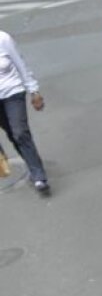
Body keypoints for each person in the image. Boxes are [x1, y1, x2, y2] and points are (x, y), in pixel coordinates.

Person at [0, 29, 50, 194]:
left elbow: (20, 64)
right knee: (11, 134)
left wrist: (33, 90)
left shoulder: (3, 38)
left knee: (20, 132)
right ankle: (31, 162)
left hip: (13, 92)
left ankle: (38, 175)